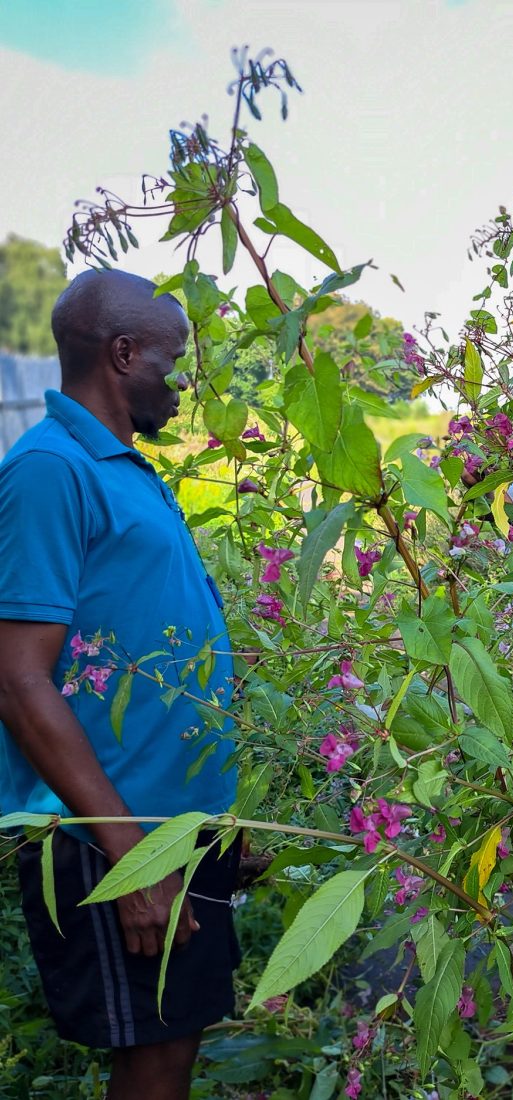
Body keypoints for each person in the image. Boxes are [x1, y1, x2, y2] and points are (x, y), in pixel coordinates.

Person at [0, 269, 241, 1100]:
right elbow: (18, 680)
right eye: (174, 363)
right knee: (151, 1056)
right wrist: (129, 857)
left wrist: (222, 818)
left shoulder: (121, 466)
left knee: (174, 1044)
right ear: (124, 353)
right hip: (113, 836)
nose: (182, 385)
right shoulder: (48, 471)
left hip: (172, 829)